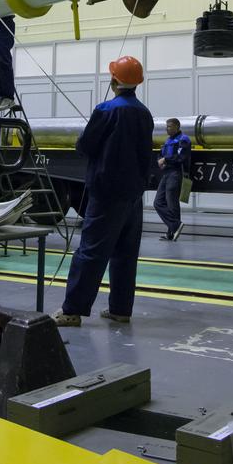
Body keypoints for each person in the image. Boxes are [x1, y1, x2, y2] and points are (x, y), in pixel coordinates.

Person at [52, 56, 155, 327]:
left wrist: (80, 141)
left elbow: (85, 146)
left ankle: (72, 310)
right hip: (133, 195)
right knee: (125, 253)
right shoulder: (144, 113)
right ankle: (121, 309)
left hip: (106, 193)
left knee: (91, 251)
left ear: (113, 81)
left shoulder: (106, 110)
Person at [152, 117, 191, 241]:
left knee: (172, 204)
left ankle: (172, 232)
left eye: (169, 126)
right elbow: (161, 154)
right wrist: (159, 160)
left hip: (176, 173)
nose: (166, 129)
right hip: (166, 174)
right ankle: (176, 226)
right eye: (166, 126)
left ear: (177, 127)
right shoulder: (168, 140)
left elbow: (181, 157)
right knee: (158, 202)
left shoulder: (184, 139)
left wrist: (166, 159)